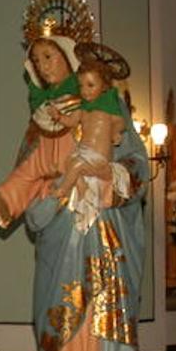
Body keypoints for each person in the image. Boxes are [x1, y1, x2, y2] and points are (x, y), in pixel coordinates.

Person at [0, 26, 150, 351]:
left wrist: (107, 174)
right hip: (57, 232)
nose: (43, 66)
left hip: (100, 230)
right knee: (54, 315)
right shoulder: (42, 121)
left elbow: (138, 163)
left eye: (50, 56)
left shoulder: (104, 104)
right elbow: (27, 176)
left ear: (69, 57)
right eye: (37, 60)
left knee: (97, 316)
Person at [48, 58, 128, 234]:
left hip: (99, 156)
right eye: (81, 86)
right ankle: (83, 189)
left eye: (90, 85)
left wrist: (115, 132)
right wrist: (58, 116)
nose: (84, 91)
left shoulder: (108, 108)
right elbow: (70, 122)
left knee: (76, 166)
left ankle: (63, 190)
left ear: (104, 86)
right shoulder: (83, 109)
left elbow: (120, 123)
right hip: (83, 151)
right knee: (69, 162)